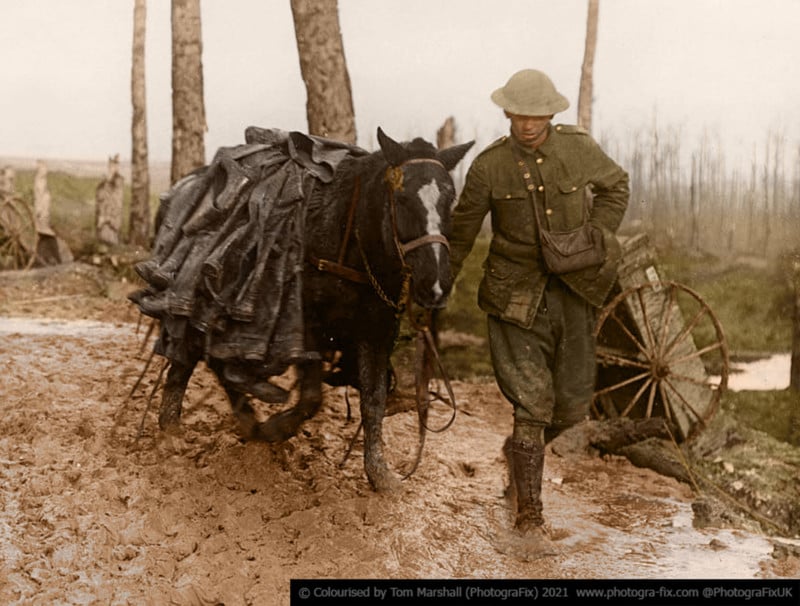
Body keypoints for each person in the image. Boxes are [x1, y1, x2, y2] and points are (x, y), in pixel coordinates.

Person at [449, 69, 630, 551]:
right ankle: (529, 519)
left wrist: (596, 235)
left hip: (574, 295)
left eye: (537, 115)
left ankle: (519, 455)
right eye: (520, 114)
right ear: (507, 112)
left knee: (570, 407)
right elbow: (462, 231)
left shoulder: (578, 149)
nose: (528, 124)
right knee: (532, 404)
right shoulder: (488, 167)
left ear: (551, 114)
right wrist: (435, 287)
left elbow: (616, 187)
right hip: (514, 299)